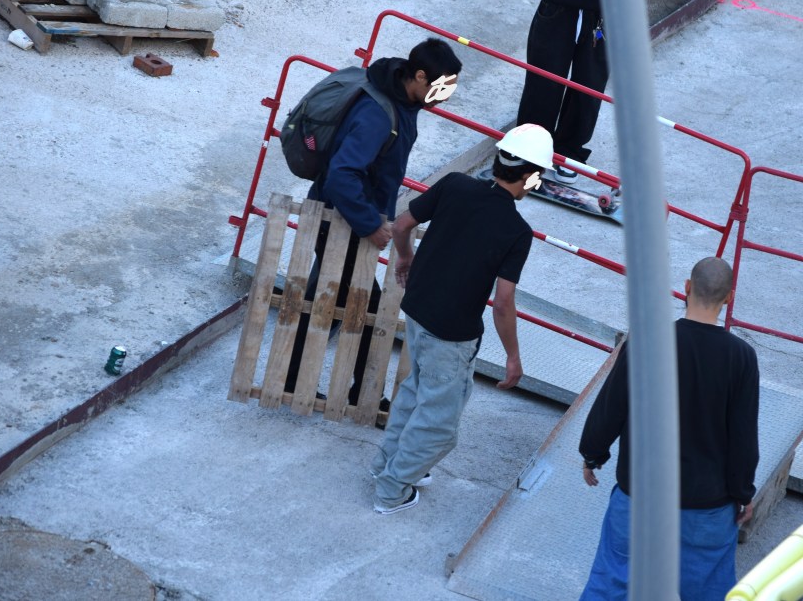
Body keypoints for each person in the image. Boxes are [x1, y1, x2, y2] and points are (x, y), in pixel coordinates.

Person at [370, 124, 554, 515]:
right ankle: (391, 490)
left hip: (417, 309)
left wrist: (404, 257)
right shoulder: (517, 231)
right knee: (439, 423)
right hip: (451, 335)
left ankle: (385, 465)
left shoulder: (455, 184)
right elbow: (503, 303)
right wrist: (513, 357)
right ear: (530, 176)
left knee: (416, 392)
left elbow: (402, 224)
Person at [284, 38, 463, 407]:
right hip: (341, 220)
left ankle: (295, 378)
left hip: (346, 217)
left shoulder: (401, 98)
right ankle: (361, 393)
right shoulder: (378, 114)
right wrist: (371, 224)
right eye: (440, 88)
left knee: (325, 298)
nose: (444, 97)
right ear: (417, 75)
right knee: (362, 305)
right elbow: (342, 175)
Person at [577, 257, 759, 600]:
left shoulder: (647, 341)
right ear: (729, 298)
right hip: (707, 508)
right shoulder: (742, 357)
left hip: (640, 498)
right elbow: (743, 437)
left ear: (687, 288)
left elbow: (611, 406)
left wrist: (592, 454)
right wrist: (744, 493)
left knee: (612, 583)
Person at [517, 0, 650, 183]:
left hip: (604, 14)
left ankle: (569, 153)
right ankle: (528, 149)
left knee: (588, 87)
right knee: (543, 82)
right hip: (557, 8)